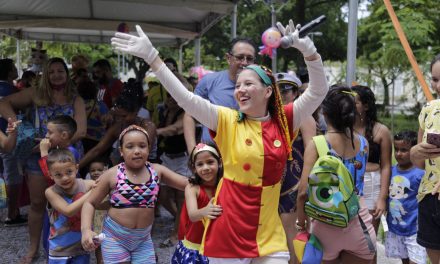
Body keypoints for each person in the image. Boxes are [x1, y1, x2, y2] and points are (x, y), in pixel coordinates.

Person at [111, 18, 328, 262]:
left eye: (248, 84)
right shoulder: (226, 119)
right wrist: (153, 57)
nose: (240, 90)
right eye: (237, 85)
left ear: (268, 91)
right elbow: (186, 99)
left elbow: (319, 91)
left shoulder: (286, 119)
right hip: (229, 227)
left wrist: (309, 51)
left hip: (268, 230)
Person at [0, 57, 87, 263]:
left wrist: (57, 144)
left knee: (71, 202)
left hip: (68, 159)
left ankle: (74, 246)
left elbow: (81, 130)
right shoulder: (35, 94)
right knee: (38, 203)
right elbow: (3, 103)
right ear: (45, 75)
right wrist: (18, 127)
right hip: (37, 157)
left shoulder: (76, 98)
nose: (57, 75)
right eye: (52, 71)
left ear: (67, 74)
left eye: (61, 71)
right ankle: (33, 249)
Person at [81, 125, 188, 263]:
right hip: (115, 237)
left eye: (142, 146)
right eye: (130, 146)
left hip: (143, 239)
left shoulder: (157, 171)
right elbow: (90, 203)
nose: (137, 151)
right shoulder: (112, 174)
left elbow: (187, 184)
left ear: (149, 149)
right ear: (121, 151)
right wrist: (85, 230)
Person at [296, 86, 375, 264]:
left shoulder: (317, 144)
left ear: (324, 112)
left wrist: (301, 225)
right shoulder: (363, 143)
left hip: (325, 223)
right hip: (358, 223)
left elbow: (303, 193)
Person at [182, 37, 257, 153]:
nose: (245, 63)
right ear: (228, 58)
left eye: (250, 59)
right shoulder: (209, 81)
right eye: (240, 57)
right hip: (212, 158)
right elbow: (190, 115)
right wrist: (192, 150)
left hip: (247, 157)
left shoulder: (260, 87)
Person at [275, 72, 316, 264]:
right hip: (273, 179)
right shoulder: (271, 115)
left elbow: (311, 149)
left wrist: (304, 183)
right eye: (278, 88)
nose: (282, 93)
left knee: (290, 225)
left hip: (294, 179)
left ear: (296, 93)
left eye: (287, 89)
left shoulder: (303, 117)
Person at [78, 81, 157, 170]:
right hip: (124, 167)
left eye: (124, 116)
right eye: (117, 116)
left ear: (136, 111)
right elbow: (97, 150)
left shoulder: (148, 126)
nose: (120, 119)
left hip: (147, 168)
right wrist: (76, 167)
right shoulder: (118, 126)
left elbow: (143, 154)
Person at [409, 54, 440, 264]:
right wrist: (416, 152)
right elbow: (418, 161)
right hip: (429, 196)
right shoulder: (429, 110)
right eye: (436, 79)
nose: (438, 85)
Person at [171, 142, 223, 263]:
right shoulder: (192, 188)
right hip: (195, 245)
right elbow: (193, 215)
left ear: (219, 162)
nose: (205, 168)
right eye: (200, 164)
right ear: (194, 168)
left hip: (218, 244)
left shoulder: (224, 184)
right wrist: (205, 211)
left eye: (210, 162)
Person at [352, 85, 392, 232]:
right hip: (348, 182)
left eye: (354, 102)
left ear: (366, 106)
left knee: (369, 236)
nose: (349, 105)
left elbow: (386, 166)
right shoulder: (343, 129)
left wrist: (382, 198)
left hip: (372, 184)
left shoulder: (381, 131)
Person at [45, 149, 95, 264]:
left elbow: (103, 184)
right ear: (50, 175)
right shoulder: (51, 192)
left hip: (82, 248)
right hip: (59, 250)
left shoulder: (86, 185)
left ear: (76, 168)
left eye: (69, 172)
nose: (65, 178)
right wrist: (92, 192)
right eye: (58, 175)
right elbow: (68, 210)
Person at [385, 130, 426, 264]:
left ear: (414, 151)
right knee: (405, 261)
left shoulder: (420, 174)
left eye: (404, 150)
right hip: (396, 229)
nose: (398, 154)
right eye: (396, 149)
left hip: (415, 230)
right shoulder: (390, 171)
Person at [0, 58, 27, 227]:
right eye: (14, 67)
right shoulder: (12, 91)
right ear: (10, 72)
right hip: (9, 137)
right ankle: (12, 213)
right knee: (12, 176)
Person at [88, 157, 109, 264]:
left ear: (105, 170)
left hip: (106, 220)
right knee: (98, 245)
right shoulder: (88, 185)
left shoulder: (109, 185)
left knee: (108, 244)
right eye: (92, 170)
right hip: (95, 221)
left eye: (99, 170)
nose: (96, 172)